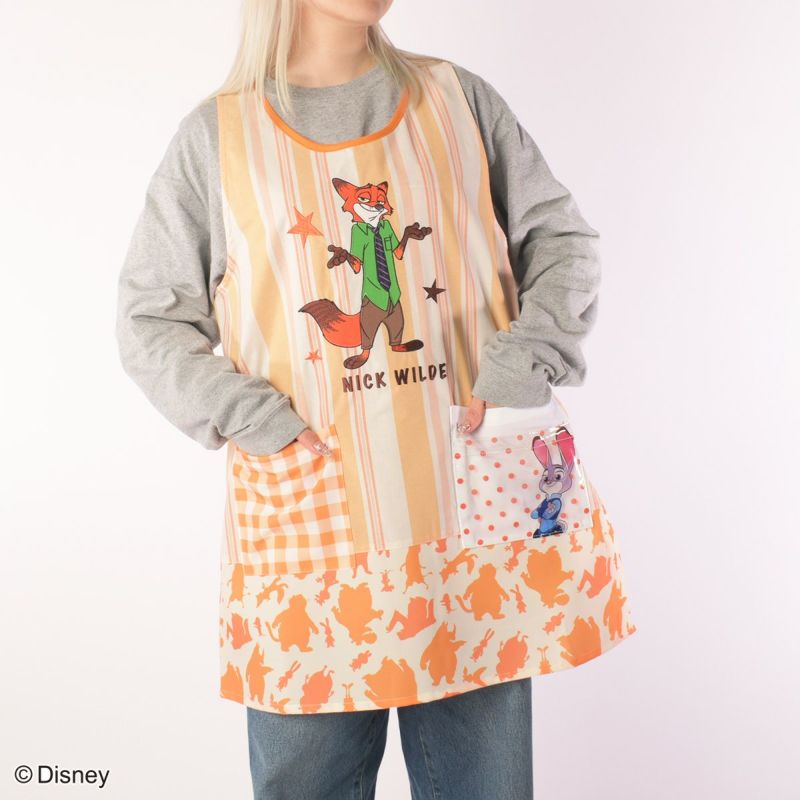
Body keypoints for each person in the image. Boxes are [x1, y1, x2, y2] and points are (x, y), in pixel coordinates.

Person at [115, 1, 637, 797]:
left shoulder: (456, 100)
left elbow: (563, 244)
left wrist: (517, 367)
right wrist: (255, 418)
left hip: (472, 530)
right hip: (311, 548)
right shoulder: (218, 138)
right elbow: (150, 319)